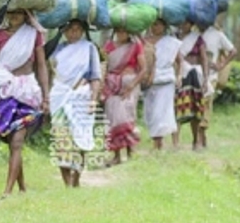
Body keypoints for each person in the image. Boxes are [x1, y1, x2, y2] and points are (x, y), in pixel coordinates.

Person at [0, 7, 49, 196]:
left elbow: (41, 64)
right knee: (10, 139)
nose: (14, 16)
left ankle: (7, 191)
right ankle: (22, 187)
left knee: (17, 141)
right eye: (11, 12)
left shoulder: (33, 35)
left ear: (27, 15)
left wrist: (46, 96)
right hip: (6, 91)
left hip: (27, 91)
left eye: (19, 12)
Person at [47, 18, 103, 188]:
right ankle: (66, 183)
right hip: (59, 96)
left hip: (81, 97)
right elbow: (50, 71)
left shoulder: (89, 48)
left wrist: (93, 100)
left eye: (78, 29)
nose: (74, 33)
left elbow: (95, 76)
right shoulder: (57, 49)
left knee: (81, 139)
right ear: (64, 31)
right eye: (70, 29)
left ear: (83, 31)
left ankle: (77, 177)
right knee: (61, 138)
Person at [101, 25, 147, 166]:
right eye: (119, 31)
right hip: (112, 87)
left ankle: (130, 151)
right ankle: (116, 156)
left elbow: (143, 69)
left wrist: (132, 85)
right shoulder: (109, 46)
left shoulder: (135, 46)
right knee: (114, 119)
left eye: (124, 31)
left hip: (129, 86)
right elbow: (104, 66)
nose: (121, 34)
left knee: (126, 117)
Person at [141, 17, 181, 150]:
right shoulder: (145, 42)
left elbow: (179, 61)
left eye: (157, 25)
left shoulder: (172, 43)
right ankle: (156, 140)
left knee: (161, 112)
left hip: (166, 80)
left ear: (164, 26)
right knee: (150, 112)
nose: (155, 27)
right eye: (152, 24)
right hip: (149, 81)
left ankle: (158, 143)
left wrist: (179, 75)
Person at [199, 17, 237, 147]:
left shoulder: (217, 35)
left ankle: (202, 132)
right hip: (194, 75)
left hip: (211, 76)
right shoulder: (192, 34)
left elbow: (233, 50)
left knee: (206, 103)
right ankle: (198, 135)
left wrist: (221, 65)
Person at [175, 19, 211, 150]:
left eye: (187, 23)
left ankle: (196, 140)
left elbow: (204, 59)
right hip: (180, 74)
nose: (183, 25)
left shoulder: (197, 39)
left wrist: (206, 79)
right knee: (176, 107)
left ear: (191, 24)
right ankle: (175, 142)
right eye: (182, 22)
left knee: (196, 109)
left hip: (195, 75)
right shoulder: (174, 37)